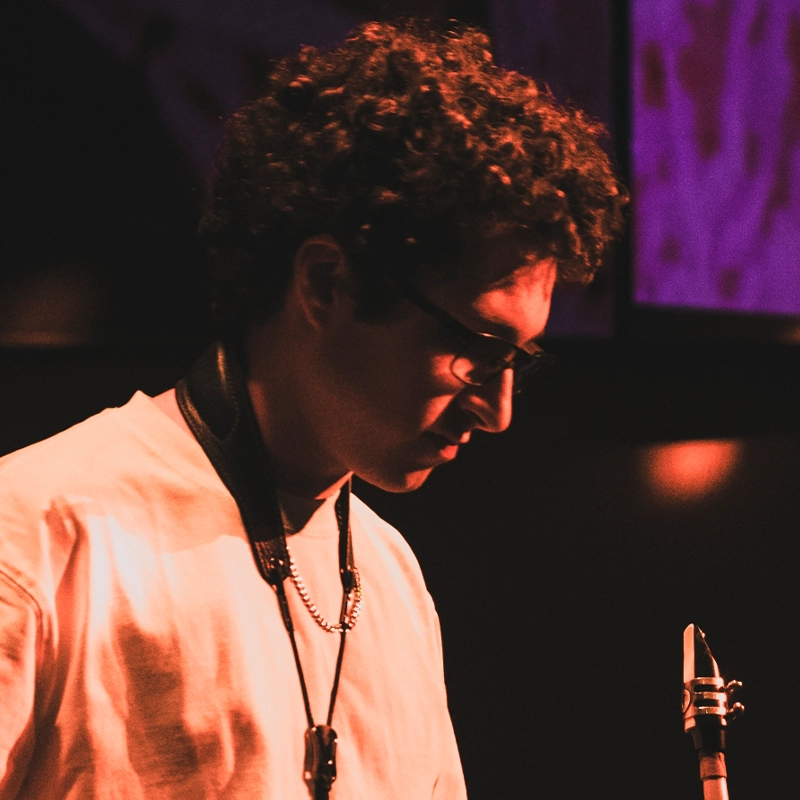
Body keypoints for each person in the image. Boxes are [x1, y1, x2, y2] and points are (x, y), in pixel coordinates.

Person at [0, 19, 625, 800]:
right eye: (476, 346)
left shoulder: (393, 576)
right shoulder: (33, 537)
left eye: (519, 363)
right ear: (326, 284)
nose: (498, 412)